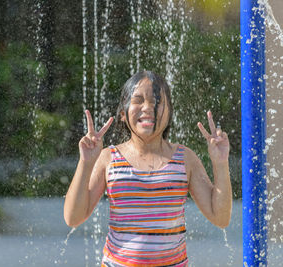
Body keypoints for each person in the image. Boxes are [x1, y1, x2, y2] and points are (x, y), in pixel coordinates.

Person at [63, 70, 232, 266]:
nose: (148, 107)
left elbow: (220, 218)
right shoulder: (109, 158)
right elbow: (73, 218)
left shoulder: (185, 159)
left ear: (169, 113)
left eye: (157, 101)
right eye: (138, 100)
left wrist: (220, 162)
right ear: (122, 114)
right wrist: (86, 162)